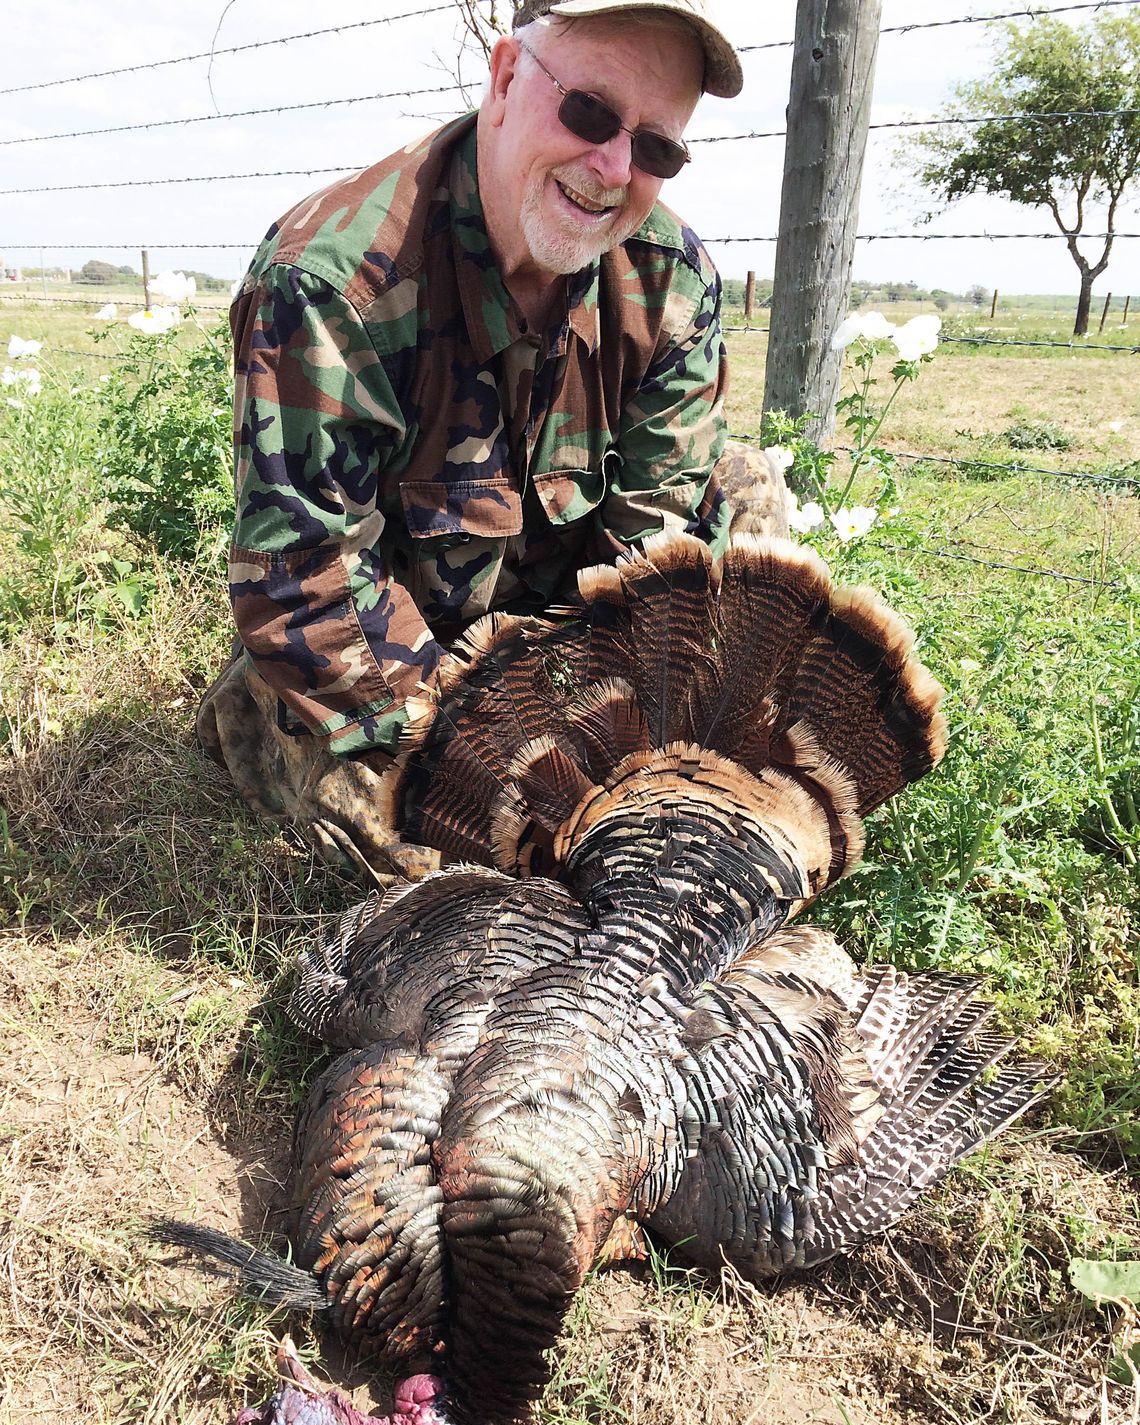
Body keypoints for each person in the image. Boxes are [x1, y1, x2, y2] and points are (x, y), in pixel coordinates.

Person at [198, 0, 790, 883]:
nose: (614, 166)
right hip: (399, 660)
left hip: (552, 631)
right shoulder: (332, 283)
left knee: (747, 493)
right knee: (463, 891)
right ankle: (256, 726)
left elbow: (653, 545)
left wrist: (608, 751)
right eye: (590, 111)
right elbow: (307, 579)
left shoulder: (671, 279)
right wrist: (494, 768)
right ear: (508, 76)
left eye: (657, 148)